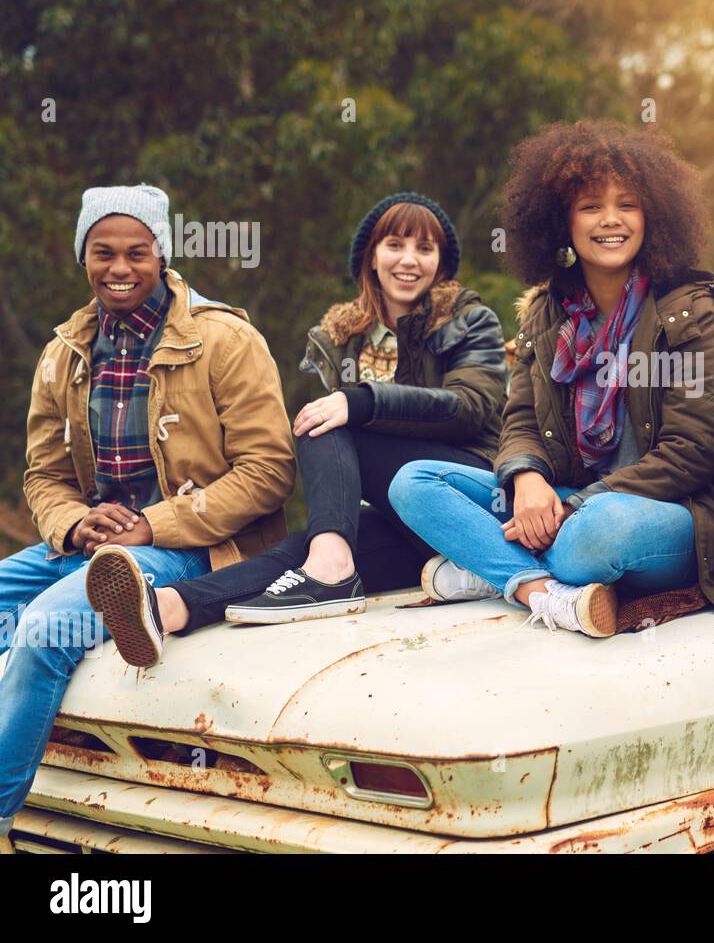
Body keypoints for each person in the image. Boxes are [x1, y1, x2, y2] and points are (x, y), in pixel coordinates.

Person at [0, 184, 296, 851]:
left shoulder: (224, 339)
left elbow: (270, 469)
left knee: (48, 626)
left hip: (196, 542)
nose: (120, 267)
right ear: (83, 256)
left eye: (137, 251)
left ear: (161, 253)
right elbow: (44, 475)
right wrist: (76, 522)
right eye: (103, 251)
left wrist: (153, 525)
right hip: (91, 540)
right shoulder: (65, 353)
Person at [84, 193, 506, 647]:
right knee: (309, 546)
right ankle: (172, 606)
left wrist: (361, 401)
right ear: (371, 256)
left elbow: (471, 407)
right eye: (395, 244)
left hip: (463, 497)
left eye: (425, 248)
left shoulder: (469, 320)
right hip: (405, 528)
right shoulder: (343, 337)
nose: (409, 260)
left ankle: (331, 570)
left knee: (328, 424)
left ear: (441, 262)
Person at [389, 120, 714, 637]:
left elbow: (695, 450)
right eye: (590, 206)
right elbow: (518, 419)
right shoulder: (546, 311)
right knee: (416, 481)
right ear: (562, 222)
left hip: (668, 515)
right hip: (566, 496)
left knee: (592, 537)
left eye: (628, 204)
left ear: (654, 216)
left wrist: (573, 504)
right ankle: (537, 591)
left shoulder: (690, 310)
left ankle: (487, 566)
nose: (611, 220)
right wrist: (526, 478)